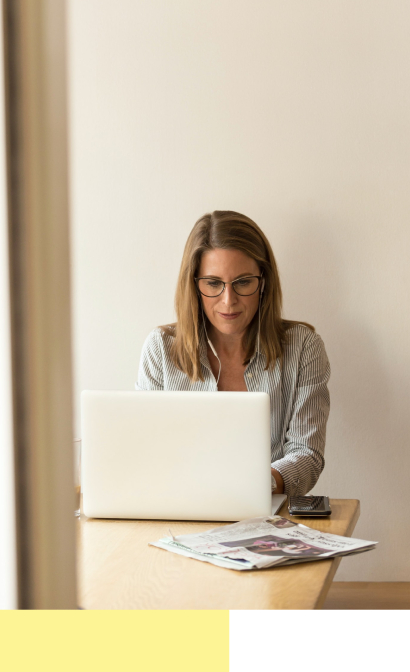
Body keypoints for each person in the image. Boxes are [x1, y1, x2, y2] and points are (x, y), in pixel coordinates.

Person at [136, 210, 330, 496]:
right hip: (179, 512)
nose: (229, 301)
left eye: (242, 282)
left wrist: (255, 485)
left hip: (268, 517)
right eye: (213, 283)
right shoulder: (160, 349)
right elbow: (146, 453)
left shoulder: (303, 347)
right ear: (194, 285)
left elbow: (307, 455)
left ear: (263, 281)